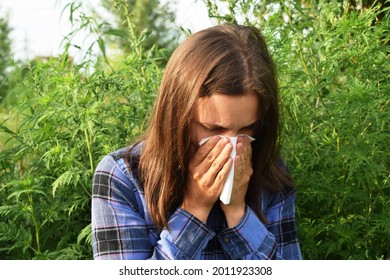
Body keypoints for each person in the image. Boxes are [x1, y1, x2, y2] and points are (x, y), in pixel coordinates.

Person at [91, 23, 302, 260]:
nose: (231, 147)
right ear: (177, 114)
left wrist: (238, 213)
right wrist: (195, 209)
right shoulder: (124, 178)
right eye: (213, 129)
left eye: (247, 128)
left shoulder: (270, 175)